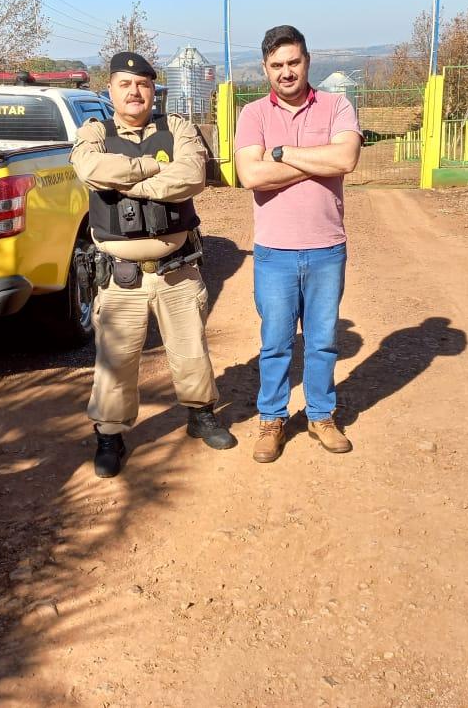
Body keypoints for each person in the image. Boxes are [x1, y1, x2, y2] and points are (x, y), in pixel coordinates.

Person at [70, 51, 234, 478]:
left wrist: (129, 183)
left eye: (142, 84)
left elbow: (193, 174)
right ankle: (110, 435)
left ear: (153, 89)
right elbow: (90, 169)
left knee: (190, 350)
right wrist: (150, 168)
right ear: (111, 90)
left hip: (176, 268)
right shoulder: (95, 131)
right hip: (120, 277)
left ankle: (201, 416)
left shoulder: (177, 126)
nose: (134, 92)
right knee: (116, 362)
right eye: (125, 84)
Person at [233, 25, 363, 464]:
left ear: (308, 60)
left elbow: (345, 159)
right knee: (275, 342)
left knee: (323, 340)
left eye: (293, 62)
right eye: (276, 65)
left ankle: (321, 416)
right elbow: (249, 176)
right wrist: (317, 161)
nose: (286, 72)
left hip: (327, 248)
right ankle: (272, 418)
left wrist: (282, 153)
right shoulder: (252, 114)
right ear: (265, 69)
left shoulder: (337, 105)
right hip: (274, 251)